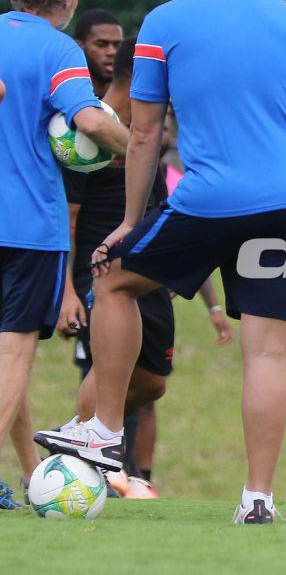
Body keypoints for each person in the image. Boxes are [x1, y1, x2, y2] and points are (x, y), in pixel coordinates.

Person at [34, 0, 286, 525]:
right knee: (265, 352)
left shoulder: (163, 23)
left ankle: (103, 429)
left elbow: (143, 135)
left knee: (114, 279)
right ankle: (258, 499)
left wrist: (126, 221)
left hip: (209, 200)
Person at [0, 0, 127, 501]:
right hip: (28, 226)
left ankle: (31, 473)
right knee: (14, 352)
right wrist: (137, 146)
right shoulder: (58, 49)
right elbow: (89, 119)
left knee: (6, 355)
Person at [53, 38, 175, 500]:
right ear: (140, 76)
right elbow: (68, 218)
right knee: (106, 373)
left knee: (152, 383)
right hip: (102, 272)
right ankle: (71, 470)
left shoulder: (144, 127)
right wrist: (66, 291)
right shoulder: (86, 133)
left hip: (150, 274)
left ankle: (79, 445)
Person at [73, 9, 122, 97]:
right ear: (79, 46)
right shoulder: (65, 98)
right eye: (101, 44)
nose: (112, 52)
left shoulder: (133, 99)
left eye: (117, 45)